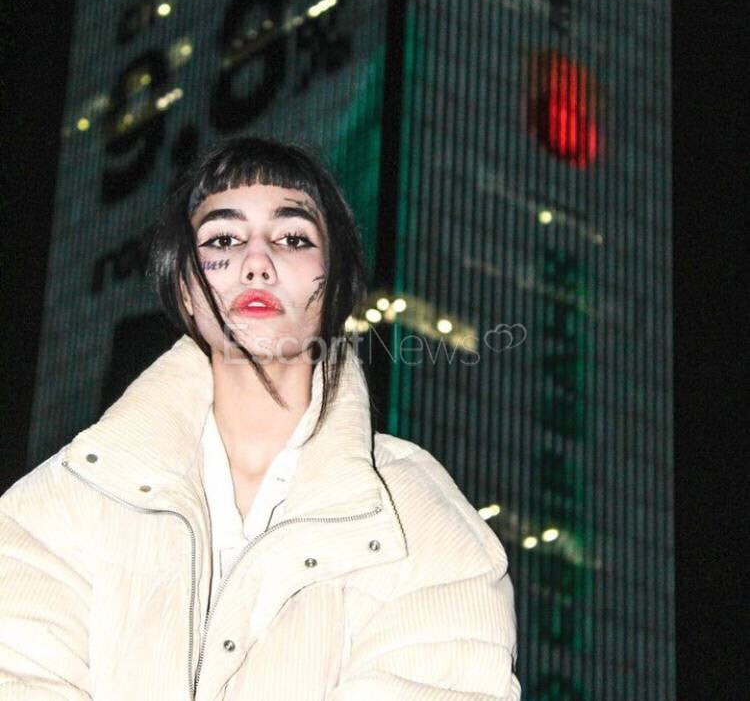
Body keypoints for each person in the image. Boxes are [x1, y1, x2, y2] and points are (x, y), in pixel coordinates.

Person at [0, 136, 521, 700]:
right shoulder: (65, 497)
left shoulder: (419, 516)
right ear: (185, 288)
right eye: (223, 240)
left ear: (335, 285)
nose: (256, 262)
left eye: (293, 239)